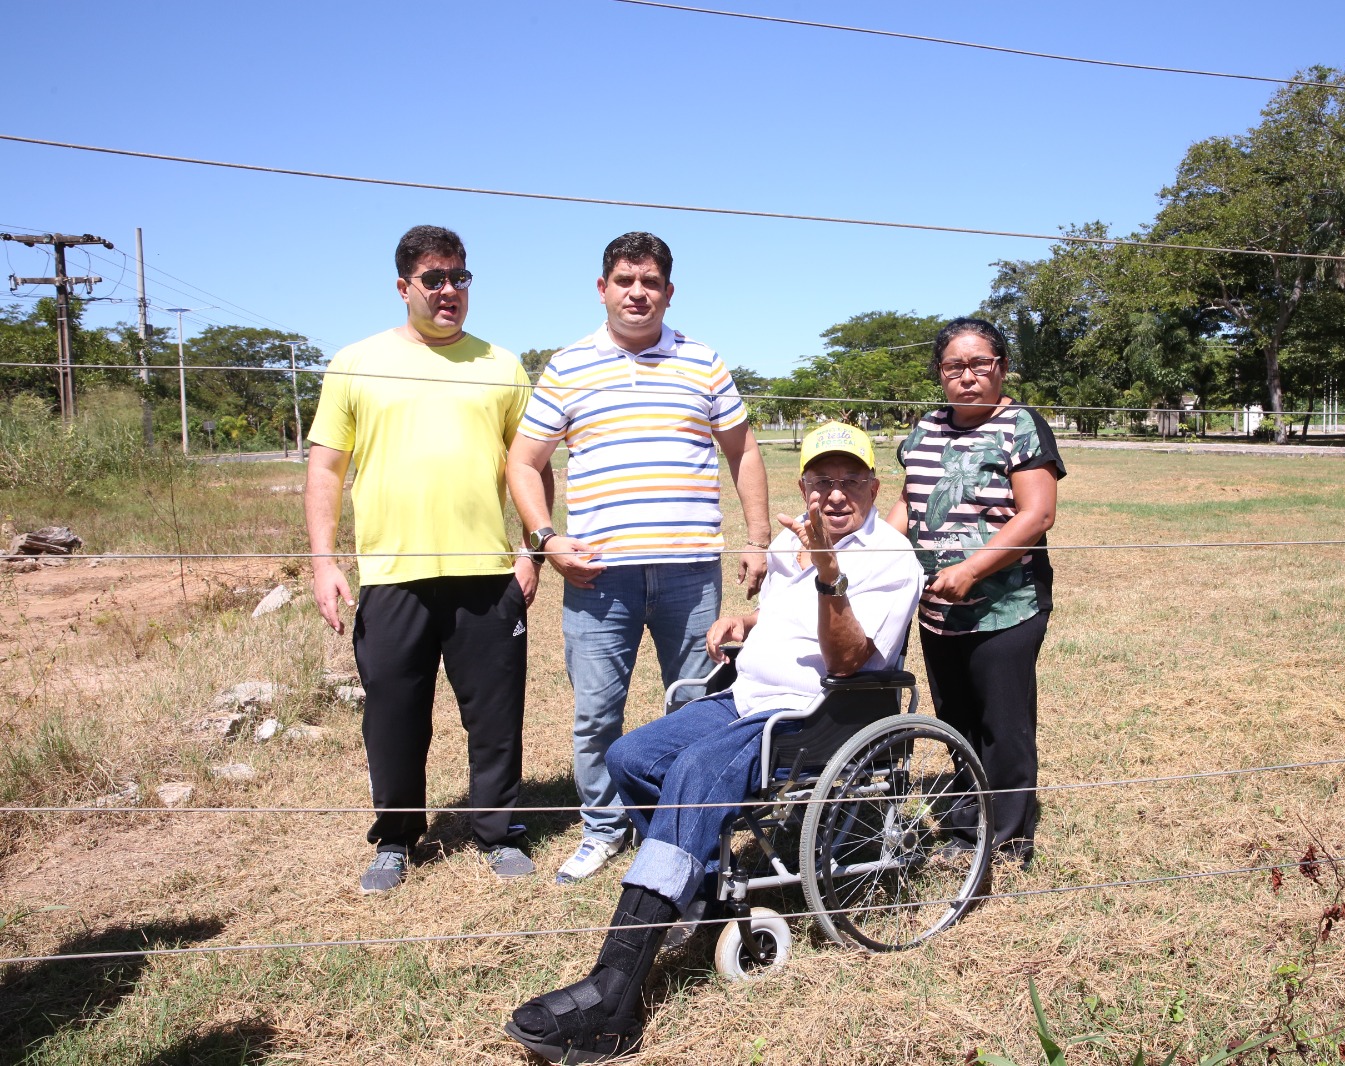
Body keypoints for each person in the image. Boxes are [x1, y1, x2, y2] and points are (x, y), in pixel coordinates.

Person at [504, 422, 922, 1062]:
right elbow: (785, 618)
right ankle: (694, 887)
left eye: (850, 482)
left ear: (874, 486)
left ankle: (615, 991)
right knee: (631, 756)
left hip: (814, 714)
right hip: (746, 692)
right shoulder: (796, 540)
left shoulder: (890, 558)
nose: (835, 496)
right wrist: (747, 620)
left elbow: (848, 661)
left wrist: (829, 575)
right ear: (803, 485)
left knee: (697, 772)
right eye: (821, 482)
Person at [507, 231, 771, 885]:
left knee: (697, 705)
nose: (637, 292)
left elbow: (744, 450)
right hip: (598, 574)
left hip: (690, 571)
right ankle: (602, 829)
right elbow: (523, 460)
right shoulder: (568, 366)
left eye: (650, 282)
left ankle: (681, 831)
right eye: (625, 280)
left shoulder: (703, 361)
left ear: (668, 291)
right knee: (597, 710)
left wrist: (758, 536)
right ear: (603, 289)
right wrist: (547, 539)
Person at [304, 225, 542, 894]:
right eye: (434, 279)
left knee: (495, 714)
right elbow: (326, 468)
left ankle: (500, 831)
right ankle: (396, 838)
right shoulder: (355, 362)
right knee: (393, 713)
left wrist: (532, 552)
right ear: (403, 286)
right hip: (391, 574)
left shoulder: (502, 365)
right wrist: (325, 563)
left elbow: (528, 466)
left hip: (487, 575)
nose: (448, 291)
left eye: (459, 278)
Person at [888, 317, 1064, 866]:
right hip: (937, 607)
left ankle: (1010, 839)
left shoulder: (1020, 425)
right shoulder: (924, 429)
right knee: (955, 716)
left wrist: (971, 570)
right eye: (954, 367)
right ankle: (968, 827)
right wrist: (872, 551)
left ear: (1001, 367)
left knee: (1003, 722)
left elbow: (1037, 515)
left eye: (979, 364)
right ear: (940, 374)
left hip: (1006, 604)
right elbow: (910, 503)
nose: (967, 377)